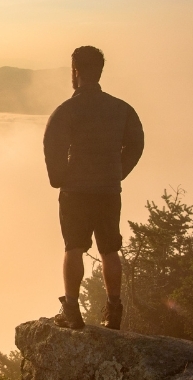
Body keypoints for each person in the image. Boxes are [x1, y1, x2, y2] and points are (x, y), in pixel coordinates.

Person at [43, 46, 144, 330]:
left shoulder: (67, 110)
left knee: (73, 247)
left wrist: (59, 178)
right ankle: (113, 311)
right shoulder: (121, 109)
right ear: (100, 71)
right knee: (109, 249)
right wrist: (118, 172)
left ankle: (71, 311)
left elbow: (53, 145)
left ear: (75, 72)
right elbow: (136, 144)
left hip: (75, 190)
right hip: (108, 191)